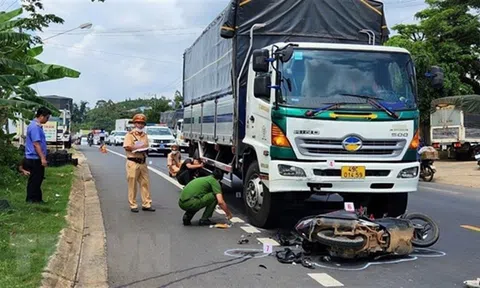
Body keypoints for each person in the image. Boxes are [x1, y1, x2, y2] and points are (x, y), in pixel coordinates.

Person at [123, 114, 155, 213]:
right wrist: (136, 148)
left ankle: (146, 203)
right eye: (138, 123)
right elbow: (127, 146)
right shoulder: (129, 135)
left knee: (145, 183)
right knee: (132, 184)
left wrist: (146, 150)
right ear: (134, 124)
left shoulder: (145, 135)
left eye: (142, 123)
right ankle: (133, 204)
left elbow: (146, 145)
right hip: (133, 161)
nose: (140, 125)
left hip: (142, 162)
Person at [24, 107, 51, 203]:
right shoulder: (35, 127)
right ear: (41, 116)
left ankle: (37, 199)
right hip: (34, 158)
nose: (47, 120)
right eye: (47, 118)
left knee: (38, 179)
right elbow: (36, 144)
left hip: (34, 157)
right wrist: (43, 158)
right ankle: (31, 199)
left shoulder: (36, 126)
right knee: (35, 179)